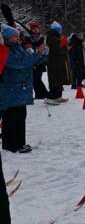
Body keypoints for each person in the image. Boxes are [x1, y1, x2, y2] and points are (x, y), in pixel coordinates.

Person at [0, 24, 48, 153]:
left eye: (17, 35)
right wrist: (36, 54)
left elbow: (30, 61)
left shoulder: (18, 48)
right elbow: (20, 63)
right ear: (6, 38)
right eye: (14, 36)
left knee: (20, 116)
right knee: (12, 119)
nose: (18, 38)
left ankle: (19, 143)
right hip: (11, 90)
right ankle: (12, 145)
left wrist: (42, 53)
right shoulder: (6, 51)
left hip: (20, 90)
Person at [45, 21, 71, 105]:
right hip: (54, 63)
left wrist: (65, 46)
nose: (60, 31)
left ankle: (58, 96)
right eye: (59, 30)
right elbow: (57, 50)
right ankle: (51, 97)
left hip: (59, 62)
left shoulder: (56, 38)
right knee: (55, 80)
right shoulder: (52, 38)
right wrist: (64, 47)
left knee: (59, 80)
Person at [23, 22, 48, 99]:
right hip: (32, 60)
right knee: (34, 79)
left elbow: (43, 47)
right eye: (34, 29)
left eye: (37, 29)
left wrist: (44, 52)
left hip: (40, 60)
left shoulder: (40, 37)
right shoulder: (27, 38)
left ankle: (43, 94)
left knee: (37, 79)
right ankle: (40, 94)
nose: (36, 30)